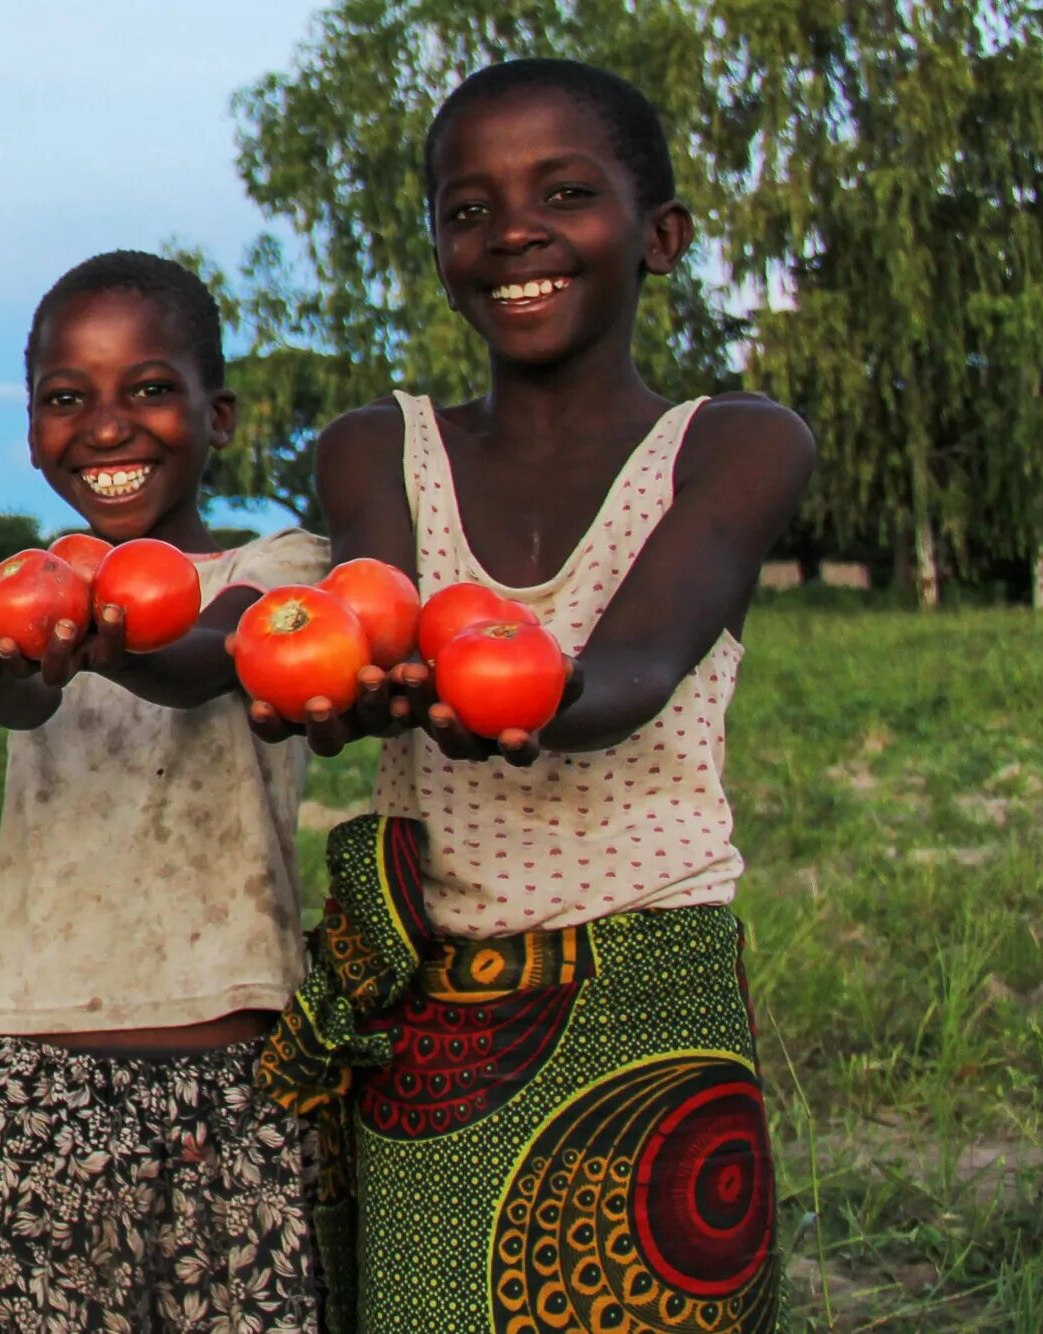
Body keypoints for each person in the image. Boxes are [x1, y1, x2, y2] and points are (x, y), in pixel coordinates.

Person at [250, 58, 815, 1333]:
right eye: (469, 208)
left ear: (661, 234)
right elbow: (362, 630)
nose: (513, 231)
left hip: (650, 985)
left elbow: (631, 669)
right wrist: (339, 683)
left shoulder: (736, 442)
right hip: (434, 1013)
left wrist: (481, 684)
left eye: (565, 191)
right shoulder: (372, 448)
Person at [0, 251, 329, 1333]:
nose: (108, 425)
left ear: (221, 413)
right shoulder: (4, 591)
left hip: (239, 1071)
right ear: (31, 431)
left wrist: (89, 642)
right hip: (37, 1071)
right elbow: (15, 700)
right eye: (68, 399)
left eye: (149, 389)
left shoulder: (286, 566)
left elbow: (215, 656)